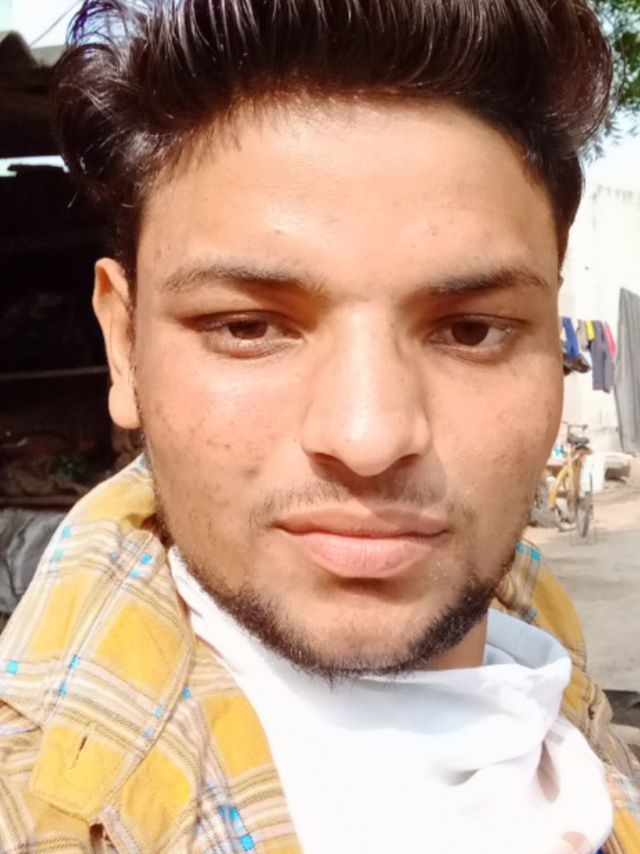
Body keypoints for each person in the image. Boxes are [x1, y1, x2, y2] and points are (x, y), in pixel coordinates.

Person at [0, 1, 638, 851]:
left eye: (471, 331)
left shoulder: (546, 657)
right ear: (123, 346)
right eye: (247, 327)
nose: (369, 438)